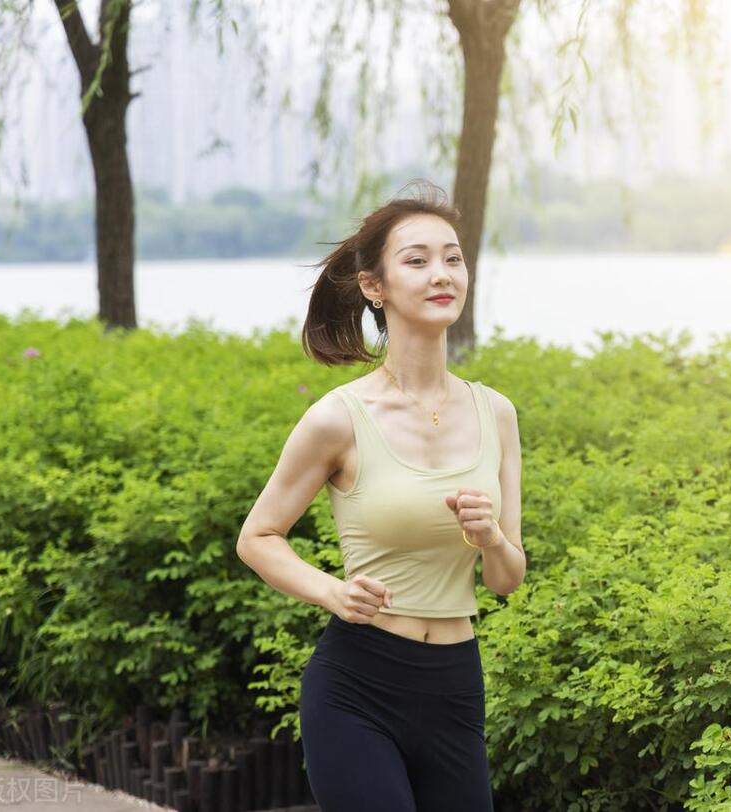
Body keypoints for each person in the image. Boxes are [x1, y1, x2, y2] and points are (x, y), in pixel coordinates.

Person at [235, 180, 526, 811]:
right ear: (375, 286)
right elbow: (257, 537)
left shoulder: (496, 412)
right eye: (416, 260)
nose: (441, 273)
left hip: (454, 685)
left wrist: (492, 538)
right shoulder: (338, 418)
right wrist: (332, 592)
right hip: (357, 685)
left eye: (453, 257)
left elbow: (507, 579)